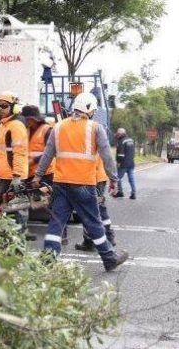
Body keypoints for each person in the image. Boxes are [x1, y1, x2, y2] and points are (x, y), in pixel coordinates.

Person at [31, 92, 128, 271]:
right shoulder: (95, 128)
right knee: (93, 222)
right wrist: (114, 179)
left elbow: (47, 154)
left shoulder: (58, 127)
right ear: (90, 110)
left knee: (57, 222)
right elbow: (107, 156)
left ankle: (48, 260)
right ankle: (109, 258)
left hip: (60, 184)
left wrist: (38, 176)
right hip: (84, 184)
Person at [0, 91, 30, 237]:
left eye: (4, 106)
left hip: (14, 176)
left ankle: (18, 243)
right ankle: (9, 241)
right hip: (4, 176)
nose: (1, 109)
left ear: (14, 108)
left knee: (18, 211)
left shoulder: (16, 126)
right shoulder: (2, 126)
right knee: (6, 210)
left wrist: (17, 176)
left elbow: (19, 152)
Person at [75, 156, 116, 250]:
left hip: (91, 177)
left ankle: (89, 241)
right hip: (101, 176)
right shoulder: (99, 140)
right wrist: (113, 178)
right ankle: (109, 236)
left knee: (87, 210)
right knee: (100, 207)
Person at [114, 127, 137, 199]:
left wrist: (118, 162)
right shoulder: (131, 140)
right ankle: (133, 193)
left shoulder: (121, 141)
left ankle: (120, 192)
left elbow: (121, 154)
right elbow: (133, 152)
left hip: (123, 164)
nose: (117, 135)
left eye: (117, 134)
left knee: (117, 178)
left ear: (121, 134)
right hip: (131, 163)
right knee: (131, 178)